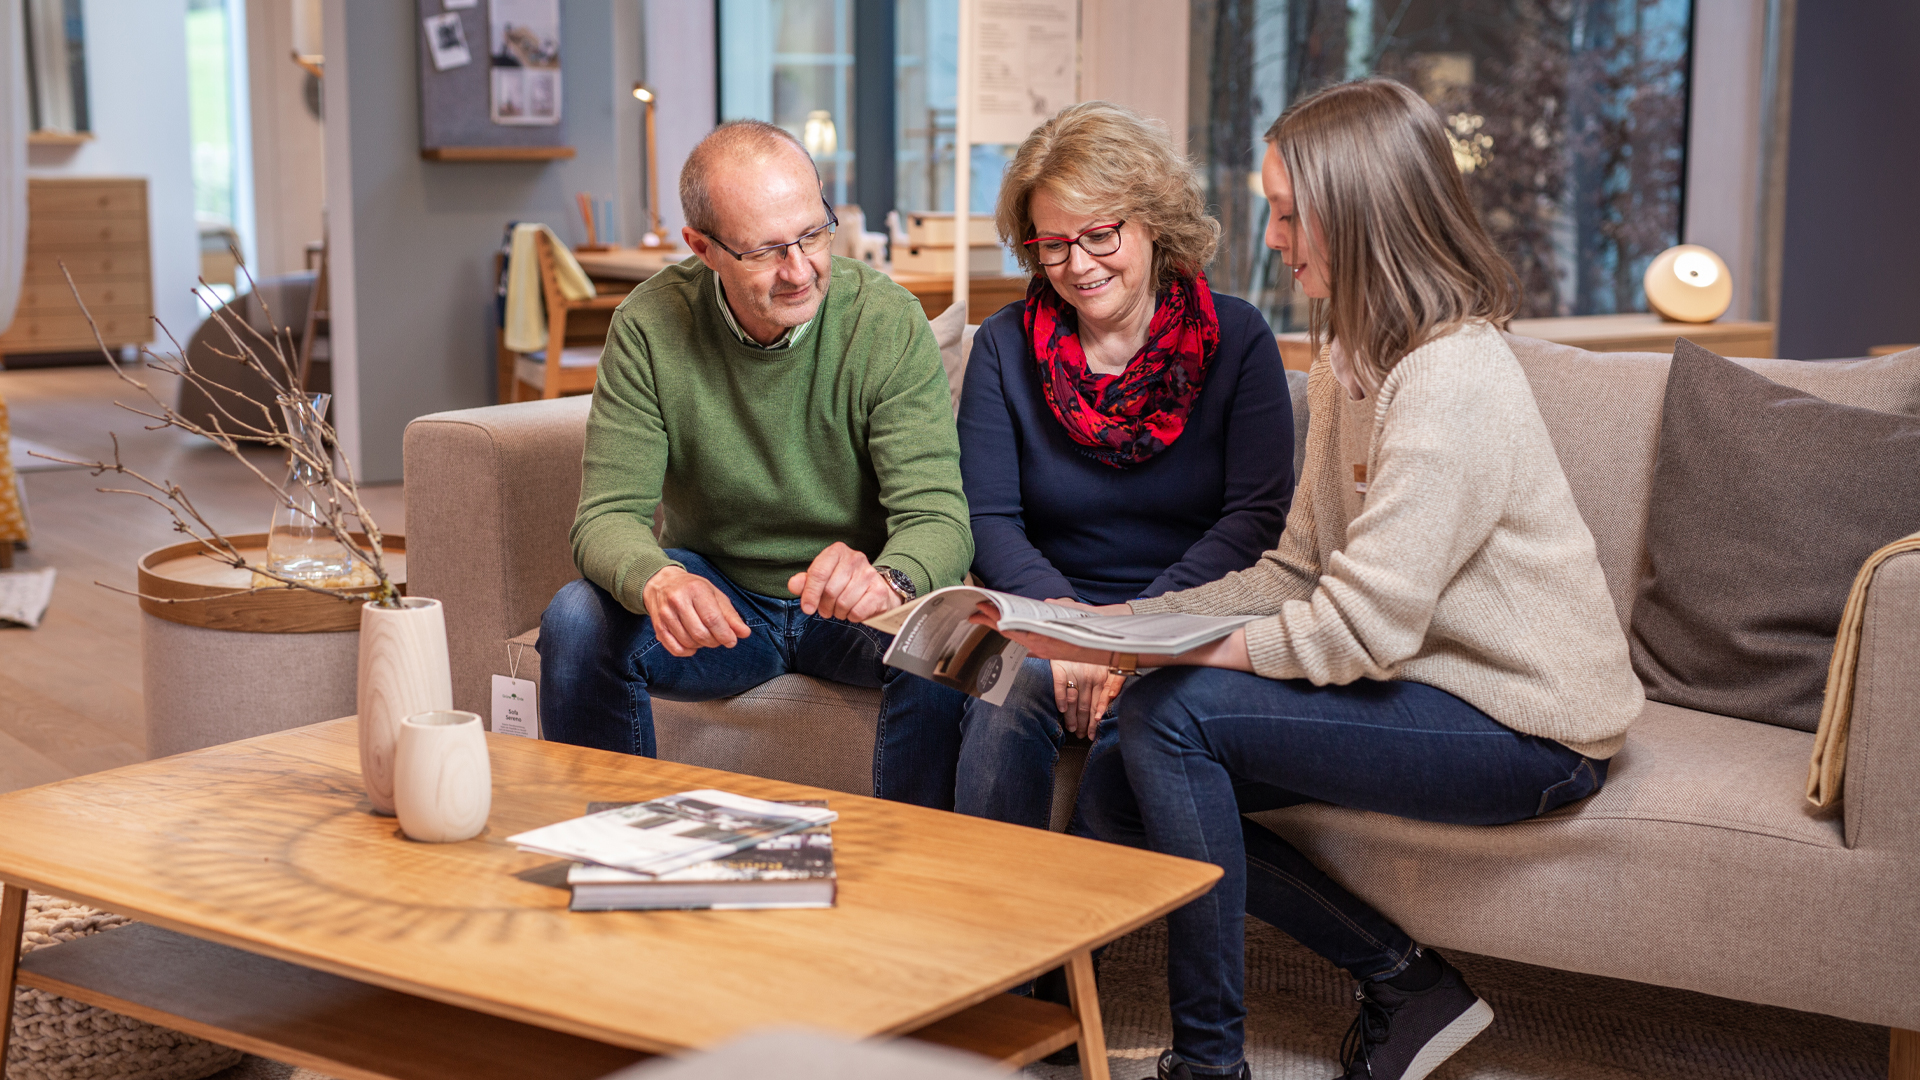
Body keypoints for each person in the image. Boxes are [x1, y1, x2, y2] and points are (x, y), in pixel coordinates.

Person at [984, 80, 1645, 1080]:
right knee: (1117, 789)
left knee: (1169, 716)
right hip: (1432, 685)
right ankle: (1406, 981)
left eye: (1289, 213)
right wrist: (1121, 629)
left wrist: (1156, 657)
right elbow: (1293, 566)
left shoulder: (1451, 376)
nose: (1274, 236)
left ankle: (1209, 1064)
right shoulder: (1350, 357)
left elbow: (1355, 630)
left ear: (1361, 211)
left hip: (1527, 725)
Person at [539, 120, 973, 808]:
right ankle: (614, 850)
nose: (800, 269)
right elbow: (605, 517)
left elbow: (938, 517)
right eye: (767, 251)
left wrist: (889, 580)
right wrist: (657, 580)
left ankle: (918, 863)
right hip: (723, 603)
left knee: (950, 638)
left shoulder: (886, 321)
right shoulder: (649, 326)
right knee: (575, 617)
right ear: (703, 248)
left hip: (851, 603)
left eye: (813, 234)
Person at [955, 101, 1294, 834]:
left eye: (1099, 235)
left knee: (1144, 726)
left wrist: (1130, 636)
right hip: (1046, 619)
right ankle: (984, 904)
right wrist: (1069, 629)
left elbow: (1255, 520)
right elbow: (988, 518)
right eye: (1053, 244)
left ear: (1153, 223)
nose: (1078, 265)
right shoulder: (1004, 346)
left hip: (1191, 624)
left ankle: (1087, 913)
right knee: (1004, 697)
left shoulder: (1239, 338)